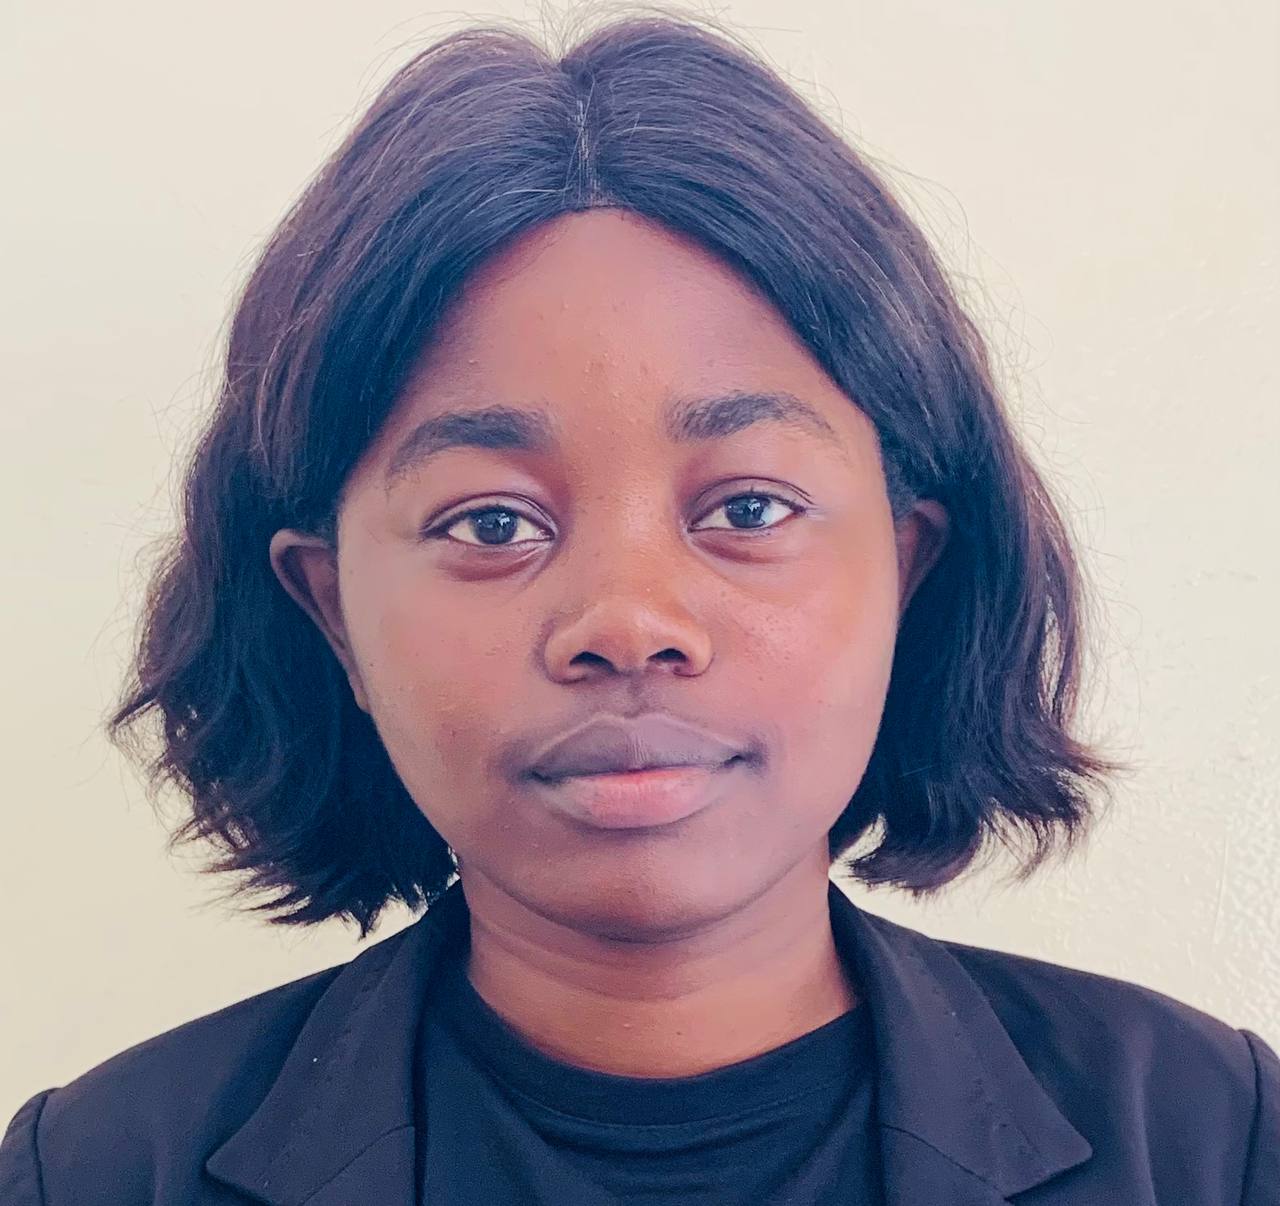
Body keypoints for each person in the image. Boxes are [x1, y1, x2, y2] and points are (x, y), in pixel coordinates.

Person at [2, 9, 1275, 1205]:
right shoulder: (100, 1171)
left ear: (906, 566)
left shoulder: (1209, 1142)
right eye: (490, 523)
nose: (626, 620)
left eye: (748, 507)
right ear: (331, 613)